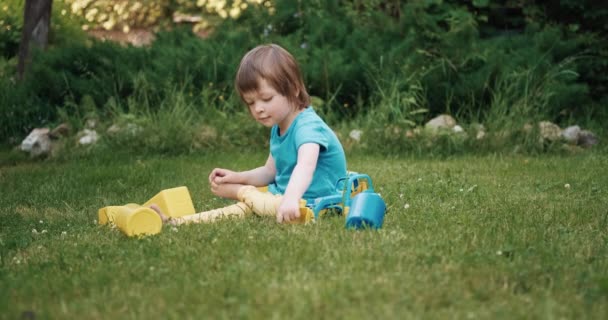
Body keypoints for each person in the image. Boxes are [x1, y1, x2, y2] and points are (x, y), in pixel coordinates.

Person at [152, 44, 347, 225]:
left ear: (294, 89)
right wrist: (238, 176)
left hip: (312, 202)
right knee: (242, 208)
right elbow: (270, 172)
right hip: (283, 198)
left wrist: (291, 199)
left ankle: (243, 193)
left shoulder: (308, 127)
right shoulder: (279, 127)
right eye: (251, 102)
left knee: (256, 202)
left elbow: (306, 166)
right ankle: (177, 221)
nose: (258, 109)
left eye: (266, 98)